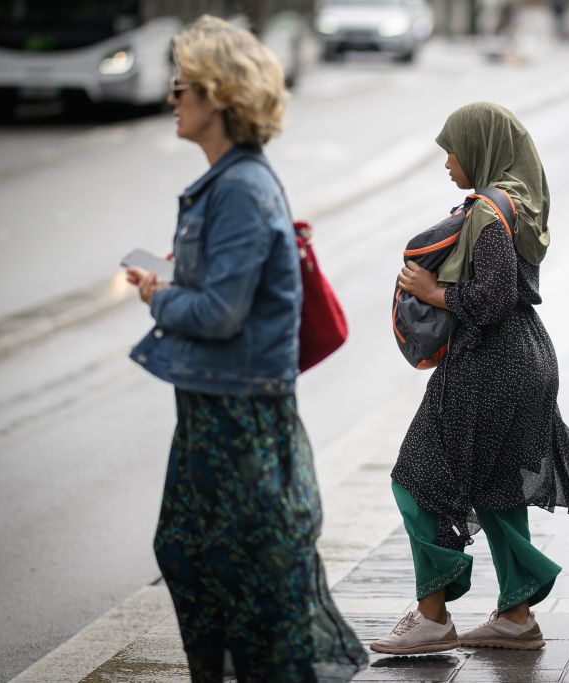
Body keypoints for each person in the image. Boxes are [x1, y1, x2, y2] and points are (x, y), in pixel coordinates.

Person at [125, 16, 366, 681]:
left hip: (238, 416)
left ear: (219, 97)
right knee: (200, 557)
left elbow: (221, 312)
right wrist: (176, 280)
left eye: (184, 89)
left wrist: (158, 297)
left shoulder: (237, 188)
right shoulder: (230, 183)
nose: (173, 98)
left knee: (246, 573)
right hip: (218, 404)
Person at [371, 102, 569, 654]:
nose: (449, 163)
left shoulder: (486, 214)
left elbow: (492, 298)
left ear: (479, 148)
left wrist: (432, 294)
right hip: (526, 358)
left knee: (415, 475)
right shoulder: (519, 203)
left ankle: (432, 613)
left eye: (453, 150)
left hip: (490, 364)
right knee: (497, 488)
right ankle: (517, 617)